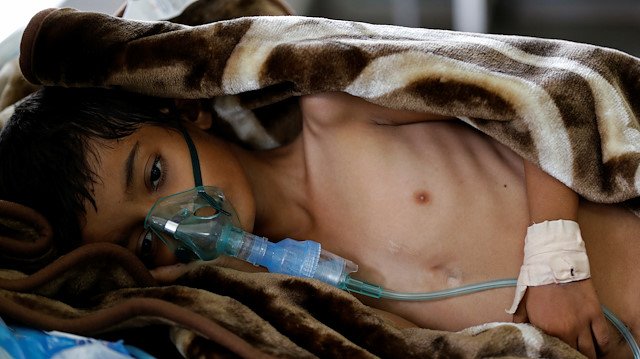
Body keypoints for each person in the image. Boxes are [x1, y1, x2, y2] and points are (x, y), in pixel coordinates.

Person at [1, 85, 636, 358]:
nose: (178, 223)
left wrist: (557, 256)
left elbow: (533, 90)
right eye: (143, 238)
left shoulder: (340, 113)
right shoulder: (294, 312)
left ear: (186, 112)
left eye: (157, 175)